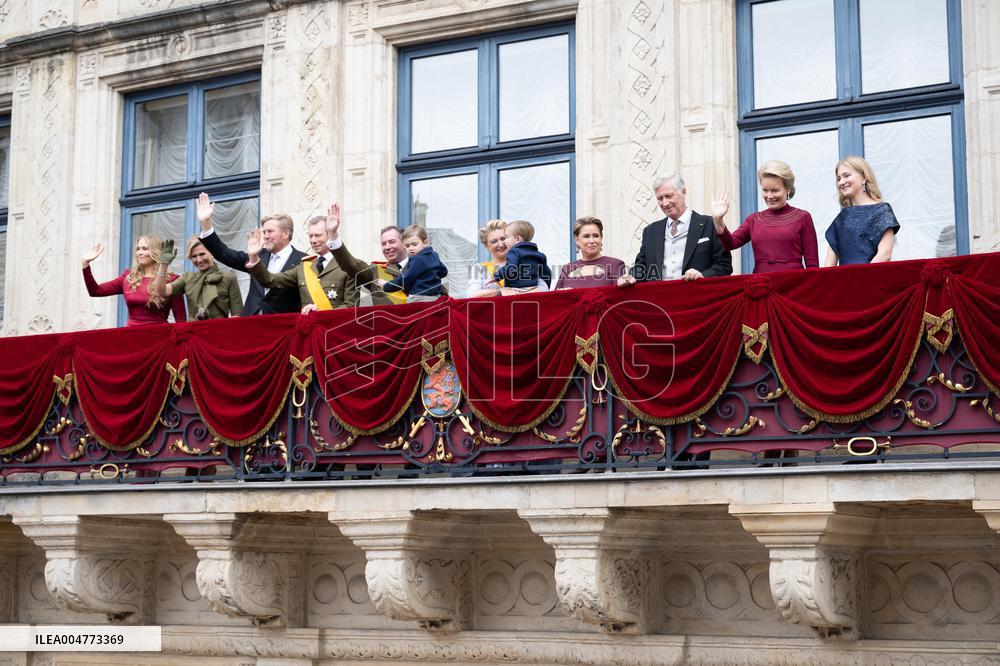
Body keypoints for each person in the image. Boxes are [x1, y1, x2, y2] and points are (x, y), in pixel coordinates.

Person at [246, 203, 391, 312]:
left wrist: (321, 311)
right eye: (310, 236)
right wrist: (254, 258)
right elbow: (270, 280)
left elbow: (350, 307)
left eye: (318, 235)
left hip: (334, 336)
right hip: (309, 336)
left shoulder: (347, 267)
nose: (313, 240)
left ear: (329, 234)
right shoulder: (304, 267)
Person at [196, 193, 306, 315]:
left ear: (286, 234)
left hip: (282, 327)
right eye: (264, 232)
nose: (266, 236)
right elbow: (224, 254)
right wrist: (206, 223)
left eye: (270, 231)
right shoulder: (258, 256)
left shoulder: (303, 261)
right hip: (251, 324)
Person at [619, 172, 733, 286]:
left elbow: (724, 266)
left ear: (683, 192)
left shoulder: (710, 224)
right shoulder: (651, 231)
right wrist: (629, 276)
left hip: (698, 298)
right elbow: (641, 267)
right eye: (660, 198)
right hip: (660, 300)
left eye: (669, 196)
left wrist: (702, 275)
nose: (664, 203)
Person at [710, 161, 819, 273]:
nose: (769, 196)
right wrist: (718, 220)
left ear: (788, 189)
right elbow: (731, 244)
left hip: (793, 284)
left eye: (775, 190)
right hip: (761, 285)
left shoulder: (802, 217)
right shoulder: (754, 220)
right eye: (765, 190)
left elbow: (812, 265)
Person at [82, 235, 186, 326]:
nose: (139, 252)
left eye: (145, 249)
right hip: (131, 339)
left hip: (160, 339)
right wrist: (85, 264)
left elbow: (180, 319)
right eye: (138, 249)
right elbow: (96, 291)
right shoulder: (128, 277)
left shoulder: (172, 279)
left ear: (156, 252)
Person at [825, 156, 900, 266]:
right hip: (844, 281)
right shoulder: (841, 218)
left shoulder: (882, 210)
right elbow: (829, 265)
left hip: (871, 279)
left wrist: (861, 278)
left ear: (864, 177)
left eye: (846, 175)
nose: (841, 182)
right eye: (838, 178)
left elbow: (885, 254)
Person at [150, 236, 244, 320]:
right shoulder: (187, 278)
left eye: (202, 254)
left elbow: (237, 315)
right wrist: (163, 265)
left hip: (219, 333)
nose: (199, 260)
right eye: (194, 256)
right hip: (193, 334)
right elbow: (161, 291)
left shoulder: (228, 278)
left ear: (212, 253)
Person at [554, 217, 626, 289]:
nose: (592, 241)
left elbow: (621, 297)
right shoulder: (567, 269)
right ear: (577, 240)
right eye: (586, 236)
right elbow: (555, 298)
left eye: (596, 236)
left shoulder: (616, 265)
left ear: (601, 238)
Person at [384, 225, 448, 302]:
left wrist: (387, 286)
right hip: (435, 296)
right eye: (407, 246)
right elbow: (444, 272)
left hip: (419, 297)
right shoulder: (434, 255)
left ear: (425, 242)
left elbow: (407, 278)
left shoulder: (417, 259)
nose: (411, 248)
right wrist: (431, 277)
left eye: (414, 244)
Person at [495, 220, 551, 292]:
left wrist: (497, 276)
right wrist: (545, 288)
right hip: (533, 288)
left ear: (518, 239)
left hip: (516, 288)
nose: (504, 241)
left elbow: (511, 267)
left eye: (506, 237)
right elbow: (547, 273)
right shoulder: (539, 254)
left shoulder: (514, 252)